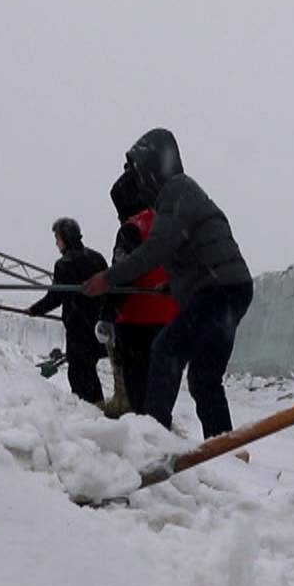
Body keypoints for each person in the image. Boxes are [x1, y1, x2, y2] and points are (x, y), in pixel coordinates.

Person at [83, 129, 253, 438]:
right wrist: (173, 286)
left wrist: (107, 278)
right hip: (230, 289)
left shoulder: (175, 191)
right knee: (204, 378)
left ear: (151, 167)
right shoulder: (182, 194)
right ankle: (225, 448)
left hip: (218, 291)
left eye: (137, 172)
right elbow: (192, 255)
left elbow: (155, 250)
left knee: (166, 349)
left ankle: (153, 438)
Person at [98, 169, 179, 416]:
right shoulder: (172, 225)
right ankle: (161, 437)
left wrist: (107, 314)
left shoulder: (132, 229)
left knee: (139, 397)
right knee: (161, 395)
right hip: (173, 322)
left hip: (137, 325)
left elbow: (121, 275)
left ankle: (145, 445)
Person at [27, 217, 109, 406]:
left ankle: (89, 413)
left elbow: (55, 297)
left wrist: (35, 310)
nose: (56, 243)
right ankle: (98, 406)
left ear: (66, 237)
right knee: (89, 371)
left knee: (79, 374)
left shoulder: (64, 264)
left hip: (78, 327)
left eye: (57, 238)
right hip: (98, 326)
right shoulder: (96, 258)